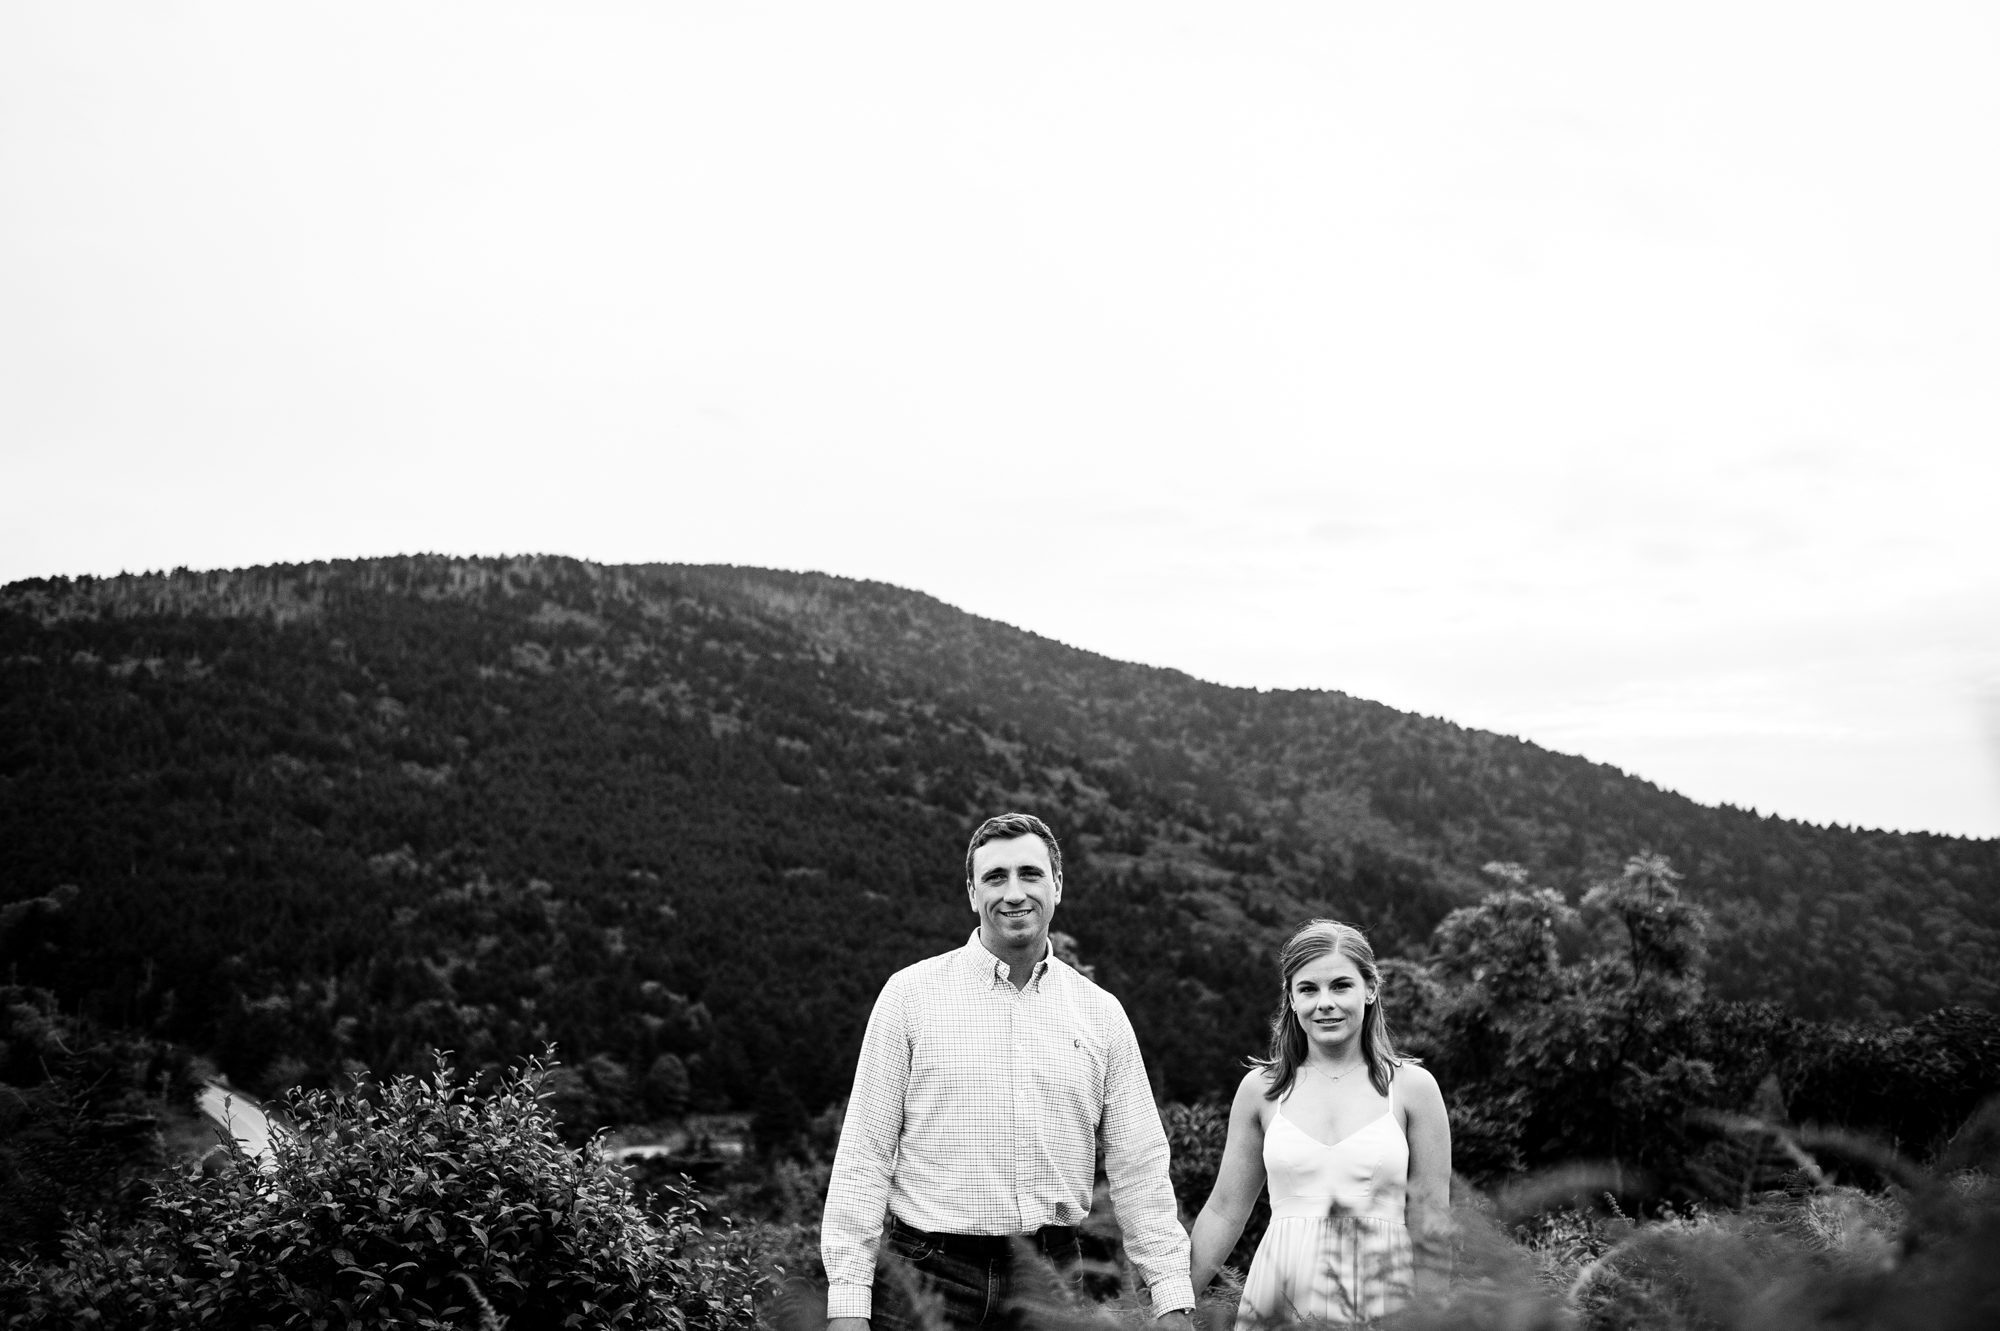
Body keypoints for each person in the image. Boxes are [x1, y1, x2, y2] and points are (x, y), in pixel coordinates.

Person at [821, 813, 1197, 1331]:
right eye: (996, 877)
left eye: (1030, 874)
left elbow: (1140, 1165)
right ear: (972, 891)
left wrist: (1171, 1299)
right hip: (927, 1274)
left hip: (1053, 1277)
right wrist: (847, 1302)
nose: (1014, 893)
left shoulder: (1101, 1013)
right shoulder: (908, 997)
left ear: (1057, 886)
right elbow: (864, 1155)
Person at [1188, 920, 1451, 1326]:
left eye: (1341, 986)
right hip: (1279, 1295)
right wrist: (1172, 1305)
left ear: (1371, 989)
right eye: (1308, 989)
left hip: (1386, 1298)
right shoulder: (1261, 1089)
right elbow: (1225, 1211)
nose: (1324, 1002)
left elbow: (1432, 1215)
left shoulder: (1414, 1088)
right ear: (1291, 999)